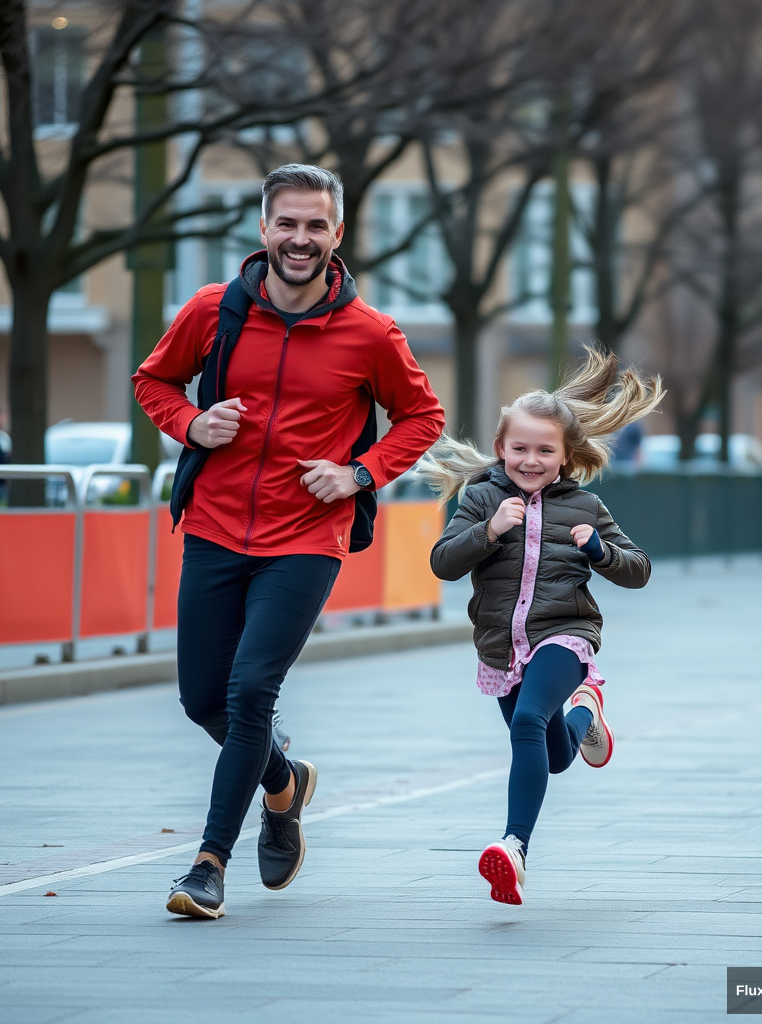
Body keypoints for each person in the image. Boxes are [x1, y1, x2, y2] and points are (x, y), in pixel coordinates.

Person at [133, 164, 445, 919]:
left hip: (306, 537)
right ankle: (283, 782)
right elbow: (154, 381)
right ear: (264, 229)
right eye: (287, 223)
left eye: (316, 226)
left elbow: (423, 417)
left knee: (249, 693)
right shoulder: (213, 311)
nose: (299, 239)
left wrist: (358, 474)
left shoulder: (369, 333)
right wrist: (191, 424)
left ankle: (208, 865)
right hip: (212, 526)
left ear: (337, 235)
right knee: (203, 699)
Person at [423, 350, 662, 905]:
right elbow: (442, 563)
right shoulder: (481, 498)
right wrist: (486, 531)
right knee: (553, 755)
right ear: (501, 447)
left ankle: (514, 846)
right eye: (520, 448)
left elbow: (640, 570)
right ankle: (585, 712)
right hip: (502, 649)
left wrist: (600, 551)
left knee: (529, 721)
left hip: (565, 636)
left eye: (544, 451)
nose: (530, 460)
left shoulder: (585, 505)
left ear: (565, 456)